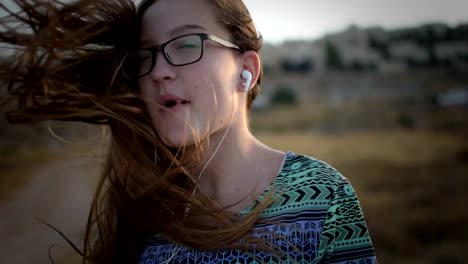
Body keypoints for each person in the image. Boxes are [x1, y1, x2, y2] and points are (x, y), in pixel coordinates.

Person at [0, 0, 377, 263]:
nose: (159, 71)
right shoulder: (143, 208)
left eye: (185, 45)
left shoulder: (322, 195)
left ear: (247, 69)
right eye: (145, 56)